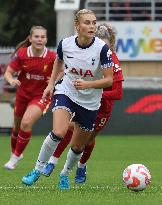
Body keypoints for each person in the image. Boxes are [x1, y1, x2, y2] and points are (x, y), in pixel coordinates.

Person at [21, 9, 113, 190]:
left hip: (90, 102)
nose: (92, 26)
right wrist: (51, 84)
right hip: (67, 92)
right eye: (87, 22)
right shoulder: (65, 44)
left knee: (78, 147)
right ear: (77, 26)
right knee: (58, 132)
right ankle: (37, 170)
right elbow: (58, 62)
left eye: (94, 22)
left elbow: (109, 80)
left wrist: (88, 85)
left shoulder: (102, 49)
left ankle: (64, 174)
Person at [41, 23, 124, 184]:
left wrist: (93, 90)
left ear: (111, 45)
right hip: (80, 101)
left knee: (87, 141)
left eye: (104, 45)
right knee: (67, 128)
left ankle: (81, 166)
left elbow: (118, 93)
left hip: (101, 110)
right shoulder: (84, 53)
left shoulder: (112, 61)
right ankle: (52, 162)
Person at [3, 26, 56, 170]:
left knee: (26, 123)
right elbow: (8, 72)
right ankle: (16, 154)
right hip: (22, 94)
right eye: (37, 36)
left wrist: (53, 80)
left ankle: (14, 158)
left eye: (42, 37)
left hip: (41, 96)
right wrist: (11, 80)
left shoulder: (52, 56)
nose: (40, 39)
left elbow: (63, 71)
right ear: (31, 38)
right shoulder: (22, 53)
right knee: (16, 128)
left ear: (46, 39)